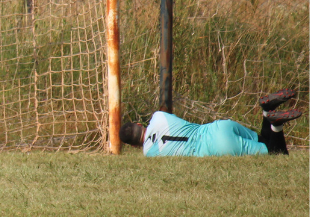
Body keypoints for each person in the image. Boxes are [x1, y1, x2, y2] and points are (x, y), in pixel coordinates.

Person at [120, 89, 301, 157]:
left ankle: (276, 124)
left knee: (276, 154)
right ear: (139, 124)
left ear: (134, 146)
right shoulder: (158, 116)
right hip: (218, 127)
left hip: (216, 147)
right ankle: (267, 110)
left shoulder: (149, 154)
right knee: (264, 142)